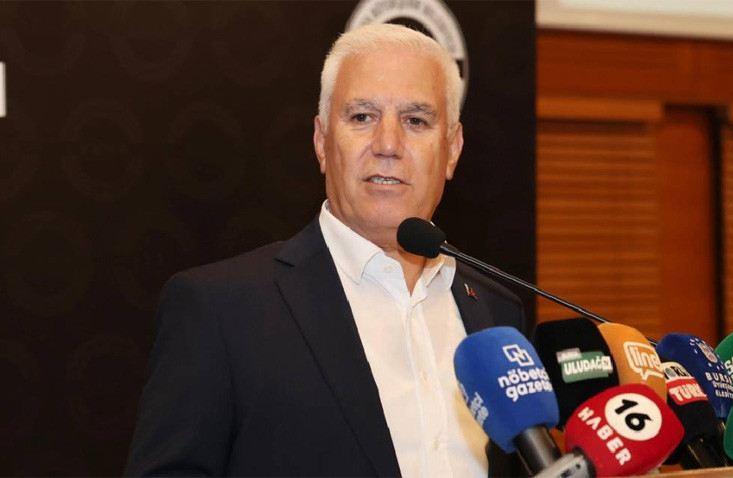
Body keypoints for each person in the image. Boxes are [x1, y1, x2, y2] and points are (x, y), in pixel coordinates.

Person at [125, 23, 525, 477]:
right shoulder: (221, 310)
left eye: (415, 121)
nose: (388, 145)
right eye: (362, 117)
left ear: (451, 150)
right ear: (321, 141)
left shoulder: (496, 309)